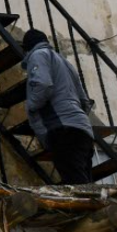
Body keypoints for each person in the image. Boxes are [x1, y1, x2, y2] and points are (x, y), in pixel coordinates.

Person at [22, 28, 95, 184]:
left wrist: (31, 105)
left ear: (27, 48)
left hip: (62, 128)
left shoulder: (38, 55)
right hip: (83, 129)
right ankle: (94, 207)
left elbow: (43, 85)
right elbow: (84, 101)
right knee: (84, 183)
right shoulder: (65, 63)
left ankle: (85, 207)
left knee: (75, 184)